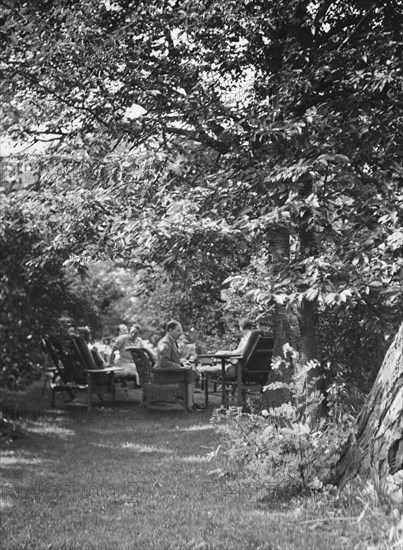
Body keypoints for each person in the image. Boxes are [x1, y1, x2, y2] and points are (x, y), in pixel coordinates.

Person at [155, 320, 203, 412]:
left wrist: (182, 362)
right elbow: (163, 362)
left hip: (168, 372)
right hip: (163, 375)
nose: (181, 333)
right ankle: (190, 405)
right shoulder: (165, 343)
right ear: (170, 330)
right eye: (178, 330)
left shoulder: (171, 341)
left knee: (192, 371)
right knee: (191, 372)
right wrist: (180, 367)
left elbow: (171, 359)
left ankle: (191, 402)